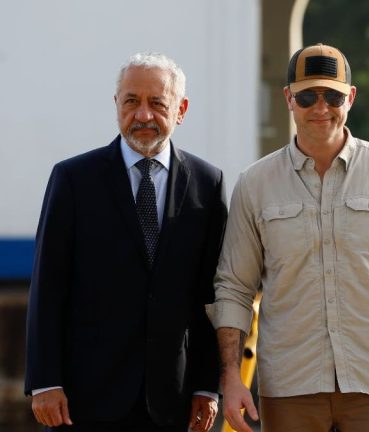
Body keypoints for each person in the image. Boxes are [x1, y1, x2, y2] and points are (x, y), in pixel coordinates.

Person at [206, 43, 369, 432]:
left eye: (333, 96)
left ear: (350, 97)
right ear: (289, 98)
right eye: (307, 96)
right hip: (290, 387)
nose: (321, 107)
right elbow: (234, 288)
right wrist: (231, 378)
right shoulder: (255, 184)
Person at [25, 52, 226, 432]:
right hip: (84, 399)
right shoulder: (73, 179)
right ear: (117, 104)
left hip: (172, 401)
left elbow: (210, 294)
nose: (143, 115)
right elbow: (48, 286)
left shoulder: (207, 183)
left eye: (157, 103)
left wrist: (206, 385)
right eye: (131, 101)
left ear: (181, 110)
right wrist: (45, 381)